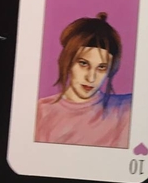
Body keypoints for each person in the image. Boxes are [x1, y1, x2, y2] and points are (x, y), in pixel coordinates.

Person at [34, 12, 132, 148]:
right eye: (83, 63)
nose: (91, 78)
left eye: (101, 67)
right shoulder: (41, 112)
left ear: (111, 69)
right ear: (67, 61)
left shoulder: (126, 108)